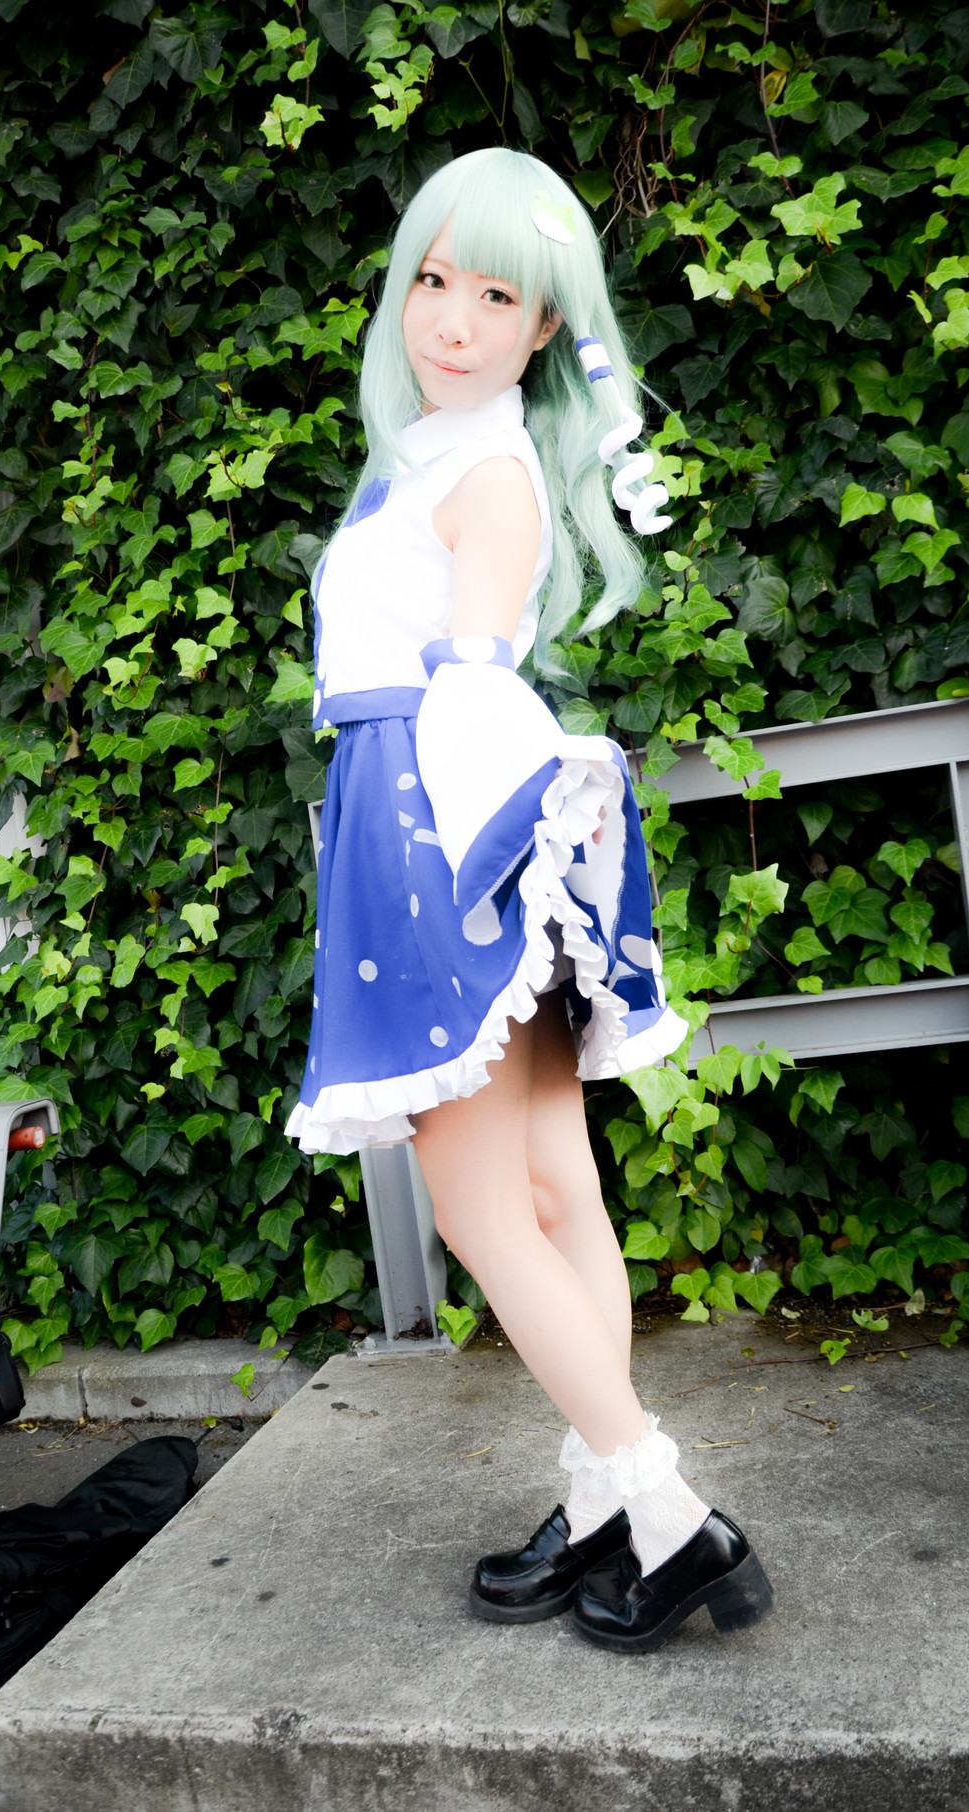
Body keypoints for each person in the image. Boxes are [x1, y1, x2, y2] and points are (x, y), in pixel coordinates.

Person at [285, 147, 773, 1653]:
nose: (454, 318)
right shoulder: (431, 451)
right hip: (433, 825)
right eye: (435, 278)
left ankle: (669, 1512)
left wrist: (494, 876)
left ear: (549, 324)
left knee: (485, 1207)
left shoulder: (486, 476)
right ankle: (603, 1497)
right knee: (554, 1188)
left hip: (441, 836)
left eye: (498, 296)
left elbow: (476, 691)